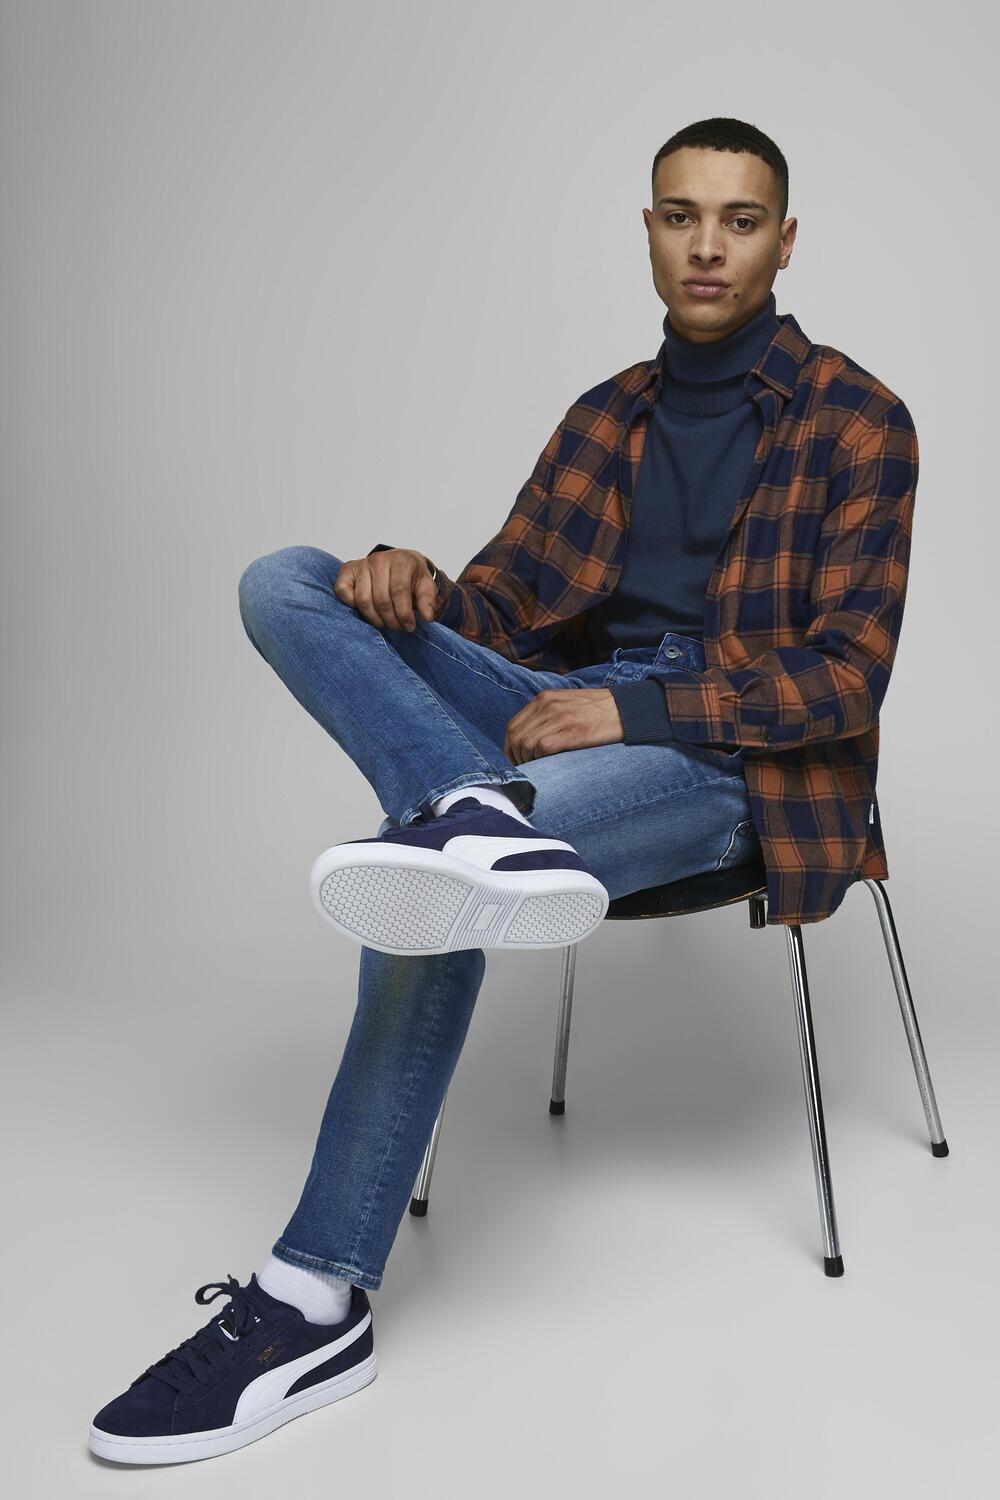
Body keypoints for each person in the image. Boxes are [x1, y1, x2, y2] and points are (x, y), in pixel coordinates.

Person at [89, 115, 919, 1465]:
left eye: (740, 219)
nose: (708, 246)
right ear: (648, 231)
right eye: (680, 216)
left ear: (785, 239)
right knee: (286, 580)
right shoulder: (606, 416)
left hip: (732, 767)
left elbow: (844, 679)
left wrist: (635, 708)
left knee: (429, 877)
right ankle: (464, 808)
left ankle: (311, 1298)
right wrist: (411, 585)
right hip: (555, 728)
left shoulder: (859, 420)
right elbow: (503, 611)